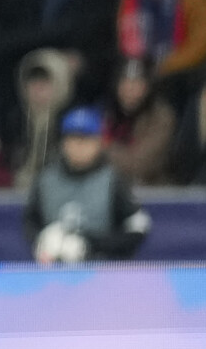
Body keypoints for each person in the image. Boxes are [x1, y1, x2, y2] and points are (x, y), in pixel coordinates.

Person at [26, 107, 150, 262]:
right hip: (54, 272)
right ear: (63, 143)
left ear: (99, 143)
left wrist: (91, 244)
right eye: (73, 139)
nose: (78, 146)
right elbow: (29, 222)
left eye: (85, 139)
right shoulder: (46, 180)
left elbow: (138, 228)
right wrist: (44, 238)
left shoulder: (113, 181)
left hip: (102, 270)